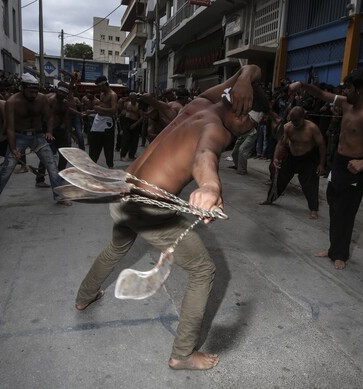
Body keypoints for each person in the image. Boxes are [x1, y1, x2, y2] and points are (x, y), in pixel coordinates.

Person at [74, 64, 267, 370]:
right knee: (204, 270)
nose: (251, 131)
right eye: (254, 125)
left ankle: (83, 297)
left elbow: (250, 69)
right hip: (147, 208)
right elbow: (206, 155)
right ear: (243, 115)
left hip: (123, 191)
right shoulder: (216, 129)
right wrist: (209, 185)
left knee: (117, 247)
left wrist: (244, 77)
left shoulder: (201, 102)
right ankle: (183, 354)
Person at [289, 69, 363, 269]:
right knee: (334, 207)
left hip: (356, 167)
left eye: (348, 87)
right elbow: (321, 94)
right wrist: (303, 85)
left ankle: (341, 253)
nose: (344, 90)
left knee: (346, 212)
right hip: (340, 164)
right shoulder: (345, 103)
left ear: (358, 90)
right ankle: (334, 248)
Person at [0, 73, 72, 206]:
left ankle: (59, 196)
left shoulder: (42, 99)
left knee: (52, 165)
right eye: (30, 91)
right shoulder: (12, 102)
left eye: (36, 91)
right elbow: (10, 128)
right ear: (22, 88)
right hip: (19, 136)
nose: (34, 94)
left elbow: (50, 117)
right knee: (7, 169)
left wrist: (49, 131)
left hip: (38, 135)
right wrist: (13, 148)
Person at [259, 106, 326, 219]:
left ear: (303, 118)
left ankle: (314, 209)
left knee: (310, 184)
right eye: (292, 120)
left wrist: (321, 164)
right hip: (292, 157)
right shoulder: (288, 127)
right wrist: (276, 157)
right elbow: (280, 144)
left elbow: (322, 145)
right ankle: (269, 199)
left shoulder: (312, 128)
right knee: (279, 178)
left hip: (308, 159)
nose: (294, 123)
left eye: (296, 121)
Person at [86, 76, 118, 168]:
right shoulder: (102, 94)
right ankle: (92, 163)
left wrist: (99, 108)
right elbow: (102, 107)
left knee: (108, 145)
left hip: (107, 122)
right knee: (94, 143)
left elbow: (114, 110)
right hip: (98, 120)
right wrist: (91, 111)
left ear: (104, 85)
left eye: (100, 87)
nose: (99, 89)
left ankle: (110, 165)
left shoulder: (113, 95)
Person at [120, 92, 142, 161]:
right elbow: (122, 111)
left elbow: (142, 117)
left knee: (134, 140)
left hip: (135, 122)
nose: (132, 100)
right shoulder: (127, 104)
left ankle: (131, 155)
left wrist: (135, 124)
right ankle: (122, 155)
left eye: (134, 98)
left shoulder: (138, 106)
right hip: (127, 121)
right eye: (131, 98)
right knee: (126, 139)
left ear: (136, 99)